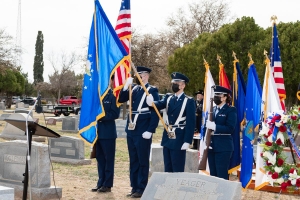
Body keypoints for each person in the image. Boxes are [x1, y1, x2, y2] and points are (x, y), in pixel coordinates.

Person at [118, 66, 159, 198]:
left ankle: (142, 188)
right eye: (138, 74)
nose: (139, 76)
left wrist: (150, 130)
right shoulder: (134, 88)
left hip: (143, 128)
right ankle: (134, 186)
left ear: (147, 76)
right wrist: (125, 87)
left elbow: (155, 112)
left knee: (142, 160)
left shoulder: (152, 90)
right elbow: (121, 99)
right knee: (133, 159)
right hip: (131, 128)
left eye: (142, 74)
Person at [146, 72, 196, 172]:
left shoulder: (189, 101)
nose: (174, 84)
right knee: (167, 166)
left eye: (177, 82)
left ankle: (176, 187)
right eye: (173, 82)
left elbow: (191, 123)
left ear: (183, 85)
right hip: (168, 135)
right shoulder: (169, 97)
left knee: (177, 167)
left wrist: (187, 141)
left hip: (179, 136)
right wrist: (151, 103)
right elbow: (159, 104)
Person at [91, 75, 120, 193]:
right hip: (98, 133)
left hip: (108, 133)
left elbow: (115, 114)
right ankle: (100, 182)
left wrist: (101, 117)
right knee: (100, 159)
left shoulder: (113, 95)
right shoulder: (97, 96)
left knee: (109, 160)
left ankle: (107, 184)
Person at [205, 85, 237, 180]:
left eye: (218, 95)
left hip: (223, 146)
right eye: (215, 95)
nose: (216, 97)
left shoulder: (230, 110)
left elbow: (230, 128)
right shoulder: (213, 110)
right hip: (211, 145)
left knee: (221, 174)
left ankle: (224, 194)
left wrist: (214, 127)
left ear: (225, 97)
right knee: (213, 174)